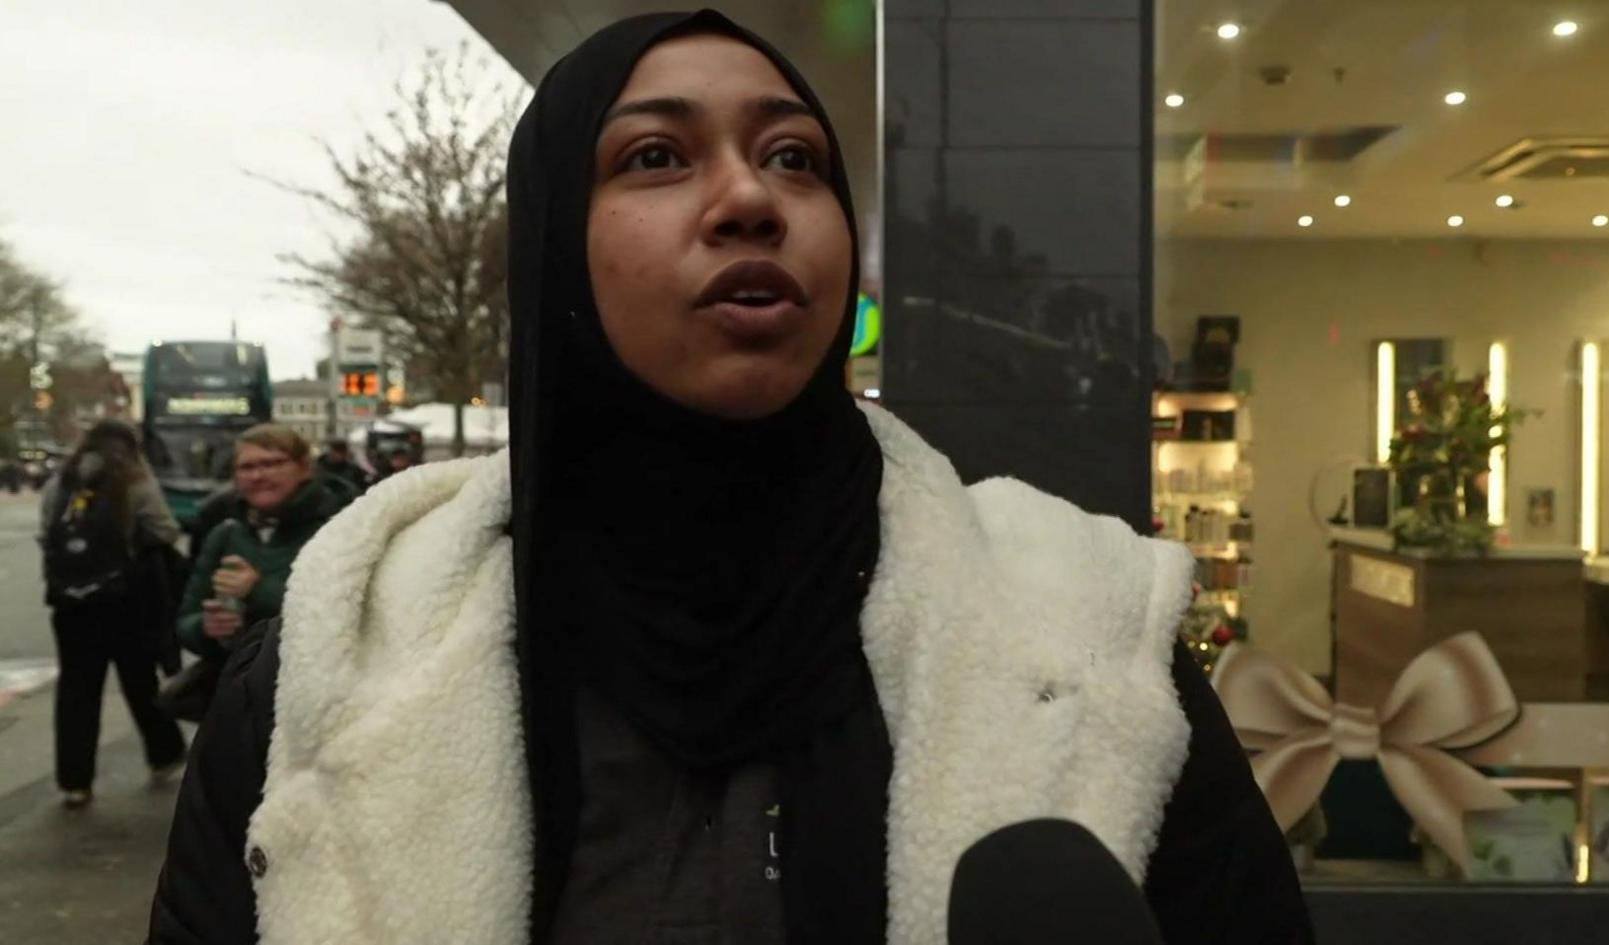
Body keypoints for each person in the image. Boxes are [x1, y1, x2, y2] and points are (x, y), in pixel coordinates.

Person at [149, 12, 1311, 945]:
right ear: (555, 242)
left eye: (794, 157)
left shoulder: (1094, 640)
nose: (752, 199)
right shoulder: (331, 670)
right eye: (655, 155)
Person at [39, 419, 185, 809]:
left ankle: (75, 781)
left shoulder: (61, 482)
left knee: (76, 688)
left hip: (69, 603)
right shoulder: (134, 480)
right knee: (138, 680)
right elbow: (165, 530)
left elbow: (45, 533)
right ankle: (164, 753)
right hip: (124, 599)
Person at [175, 425, 342, 661]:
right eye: (247, 467)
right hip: (240, 685)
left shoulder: (340, 529)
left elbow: (343, 619)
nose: (258, 476)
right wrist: (206, 627)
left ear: (304, 468)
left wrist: (258, 591)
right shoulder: (225, 534)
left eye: (272, 463)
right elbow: (186, 619)